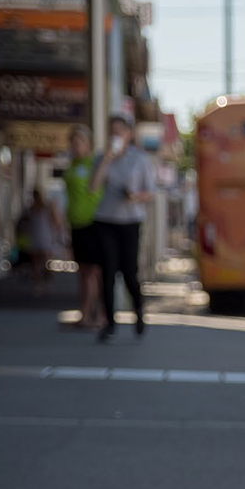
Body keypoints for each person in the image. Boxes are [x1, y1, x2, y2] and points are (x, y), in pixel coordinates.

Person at [91, 111, 154, 343]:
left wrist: (135, 196)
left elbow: (150, 192)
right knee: (107, 272)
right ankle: (109, 322)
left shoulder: (140, 159)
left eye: (120, 132)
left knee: (129, 272)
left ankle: (138, 311)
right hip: (106, 220)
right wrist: (107, 158)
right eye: (112, 132)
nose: (116, 136)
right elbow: (93, 186)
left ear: (129, 134)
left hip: (130, 221)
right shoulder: (102, 158)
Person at [61, 125, 104, 328]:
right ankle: (84, 313)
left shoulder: (94, 163)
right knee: (82, 271)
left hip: (94, 222)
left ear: (88, 143)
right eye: (73, 141)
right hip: (76, 223)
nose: (76, 145)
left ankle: (97, 314)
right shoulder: (71, 166)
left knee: (94, 272)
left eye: (80, 141)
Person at [18, 188, 63, 295]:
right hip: (37, 236)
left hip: (44, 236)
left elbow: (55, 221)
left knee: (44, 261)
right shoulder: (31, 208)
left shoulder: (45, 208)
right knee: (36, 262)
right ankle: (38, 282)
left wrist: (57, 234)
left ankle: (45, 281)